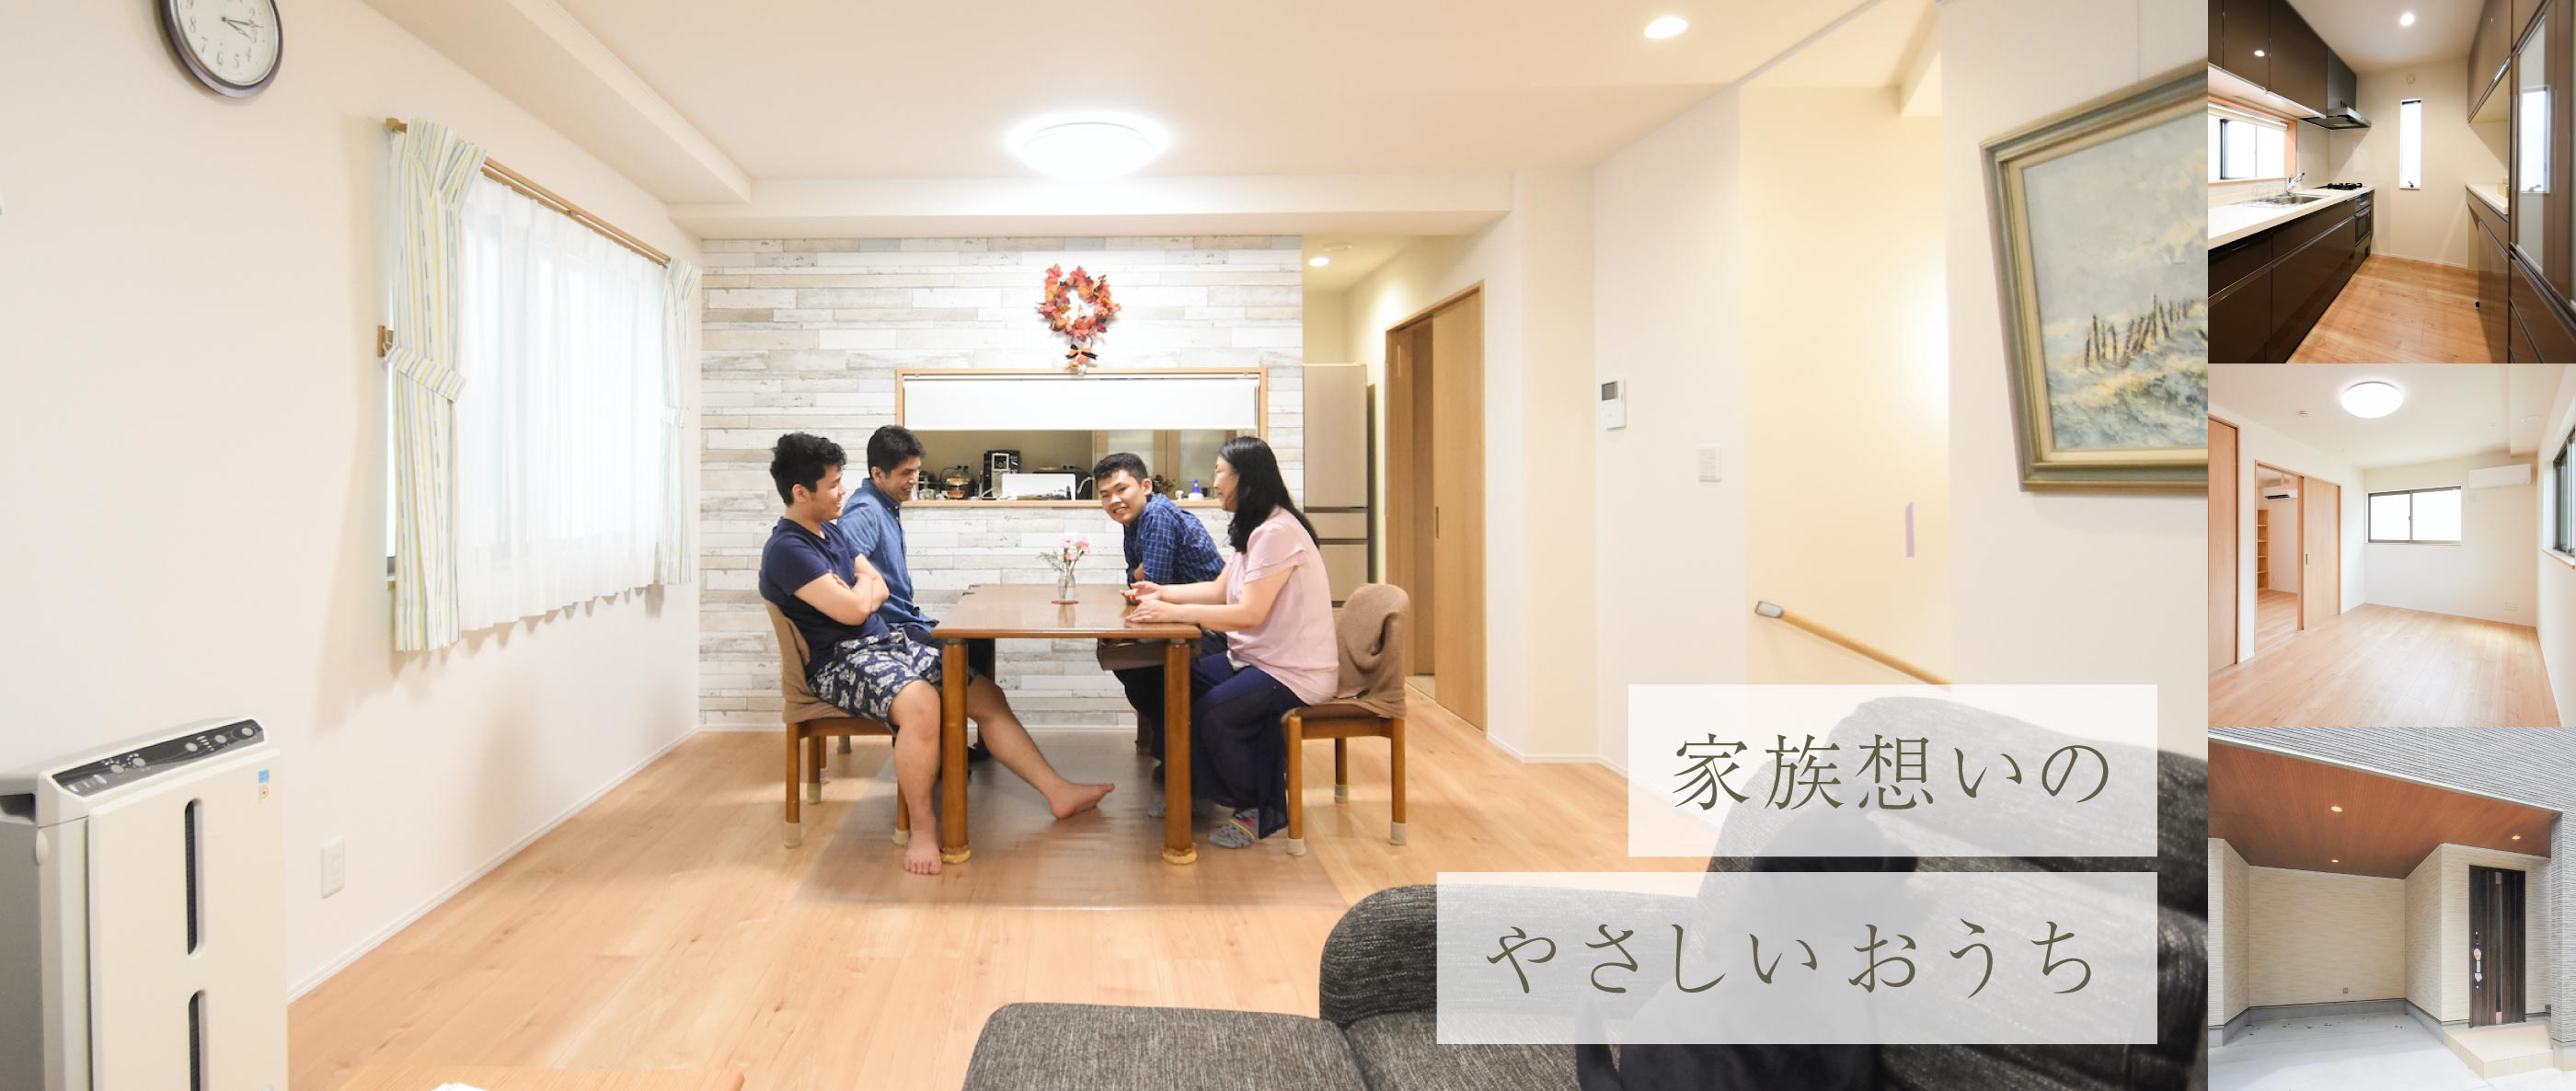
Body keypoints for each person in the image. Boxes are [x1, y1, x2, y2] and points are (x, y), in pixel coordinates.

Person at [759, 432, 1110, 875]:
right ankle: (923, 830)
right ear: (800, 492)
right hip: (838, 661)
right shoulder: (788, 549)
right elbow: (853, 611)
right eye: (832, 484)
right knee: (922, 703)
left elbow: (875, 585)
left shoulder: (828, 532)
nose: (842, 491)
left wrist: (863, 589)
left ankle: (1058, 792)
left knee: (984, 693)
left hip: (883, 642)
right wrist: (864, 591)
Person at [1124, 436, 1337, 849]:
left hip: (1293, 671)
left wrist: (1174, 613)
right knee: (1172, 685)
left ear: (1245, 478)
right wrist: (1160, 592)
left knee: (1213, 713)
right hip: (1254, 659)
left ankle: (1257, 807)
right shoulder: (1256, 528)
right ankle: (1199, 788)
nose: (1215, 481)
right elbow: (1220, 590)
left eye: (1220, 472)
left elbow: (1249, 613)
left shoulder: (1277, 532)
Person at [835, 425, 998, 763]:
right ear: (877, 474)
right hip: (888, 630)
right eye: (905, 473)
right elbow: (845, 574)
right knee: (961, 653)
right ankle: (941, 758)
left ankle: (950, 748)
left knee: (978, 645)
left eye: (917, 471)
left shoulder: (885, 505)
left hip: (906, 619)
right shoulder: (865, 511)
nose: (914, 480)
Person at [1093, 452, 1228, 775]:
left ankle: (1188, 762)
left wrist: (1140, 576)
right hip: (1185, 621)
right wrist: (1139, 576)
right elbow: (1136, 580)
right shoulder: (1135, 521)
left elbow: (1151, 584)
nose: (1114, 501)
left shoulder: (1156, 515)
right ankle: (1177, 752)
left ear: (1145, 486)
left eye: (1121, 489)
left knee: (1142, 676)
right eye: (1105, 495)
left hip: (1217, 631)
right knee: (1122, 660)